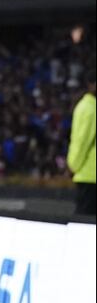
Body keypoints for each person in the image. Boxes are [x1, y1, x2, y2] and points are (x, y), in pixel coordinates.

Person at [67, 71, 96, 215]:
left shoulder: (86, 107)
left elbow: (80, 140)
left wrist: (73, 165)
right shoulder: (90, 109)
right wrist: (74, 165)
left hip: (88, 174)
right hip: (89, 175)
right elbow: (82, 141)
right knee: (86, 221)